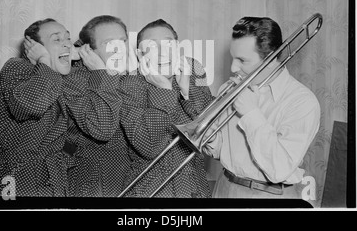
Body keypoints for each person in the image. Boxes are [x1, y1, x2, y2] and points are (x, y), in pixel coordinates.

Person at [0, 18, 122, 197]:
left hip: (54, 180)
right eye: (57, 39)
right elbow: (29, 106)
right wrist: (44, 59)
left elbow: (102, 128)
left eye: (67, 39)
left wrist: (98, 72)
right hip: (17, 177)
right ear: (33, 47)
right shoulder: (17, 67)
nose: (66, 45)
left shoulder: (61, 80)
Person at [203, 17, 320, 198]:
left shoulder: (302, 101)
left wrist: (251, 113)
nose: (233, 67)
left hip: (270, 196)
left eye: (242, 60)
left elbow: (279, 169)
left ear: (271, 58)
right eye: (233, 57)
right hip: (225, 187)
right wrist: (208, 136)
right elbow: (220, 151)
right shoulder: (229, 89)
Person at [118, 19, 213, 198]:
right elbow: (148, 146)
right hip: (152, 189)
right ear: (140, 54)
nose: (163, 52)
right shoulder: (130, 85)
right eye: (152, 46)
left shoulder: (192, 76)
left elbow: (212, 136)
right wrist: (164, 91)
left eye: (169, 44)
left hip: (194, 187)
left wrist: (186, 92)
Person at [68, 15, 132, 197]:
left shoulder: (131, 77)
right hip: (95, 180)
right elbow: (103, 129)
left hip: (131, 175)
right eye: (109, 43)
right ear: (88, 50)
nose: (119, 50)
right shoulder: (74, 80)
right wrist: (100, 73)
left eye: (123, 41)